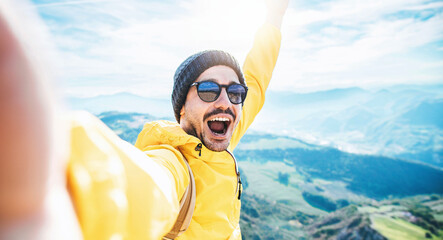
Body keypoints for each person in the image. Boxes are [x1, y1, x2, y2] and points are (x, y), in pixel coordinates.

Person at [0, 0, 288, 239]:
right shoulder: (173, 165)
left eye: (235, 92)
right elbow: (143, 184)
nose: (226, 102)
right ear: (182, 109)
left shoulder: (223, 136)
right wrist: (69, 191)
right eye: (209, 90)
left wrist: (274, 18)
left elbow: (257, 78)